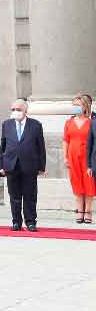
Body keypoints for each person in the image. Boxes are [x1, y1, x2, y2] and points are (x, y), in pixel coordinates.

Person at [0, 98, 45, 231]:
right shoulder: (6, 124)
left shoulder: (35, 125)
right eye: (13, 109)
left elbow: (41, 146)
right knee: (14, 195)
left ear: (25, 111)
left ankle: (30, 221)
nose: (15, 112)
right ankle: (16, 221)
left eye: (18, 109)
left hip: (29, 164)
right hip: (11, 164)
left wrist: (42, 166)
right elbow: (3, 145)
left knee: (30, 195)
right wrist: (1, 164)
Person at [64, 93, 94, 224]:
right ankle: (79, 211)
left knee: (89, 183)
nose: (75, 108)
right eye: (73, 105)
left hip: (87, 157)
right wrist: (65, 157)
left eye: (78, 105)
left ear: (85, 106)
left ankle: (88, 211)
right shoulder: (69, 122)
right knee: (76, 183)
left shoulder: (91, 122)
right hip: (73, 156)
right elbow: (65, 140)